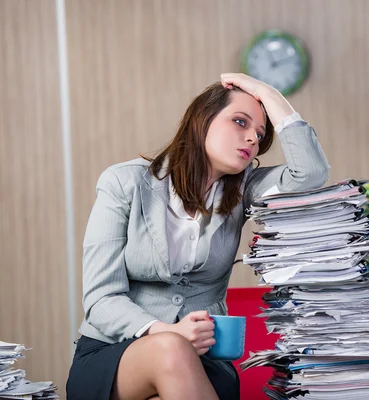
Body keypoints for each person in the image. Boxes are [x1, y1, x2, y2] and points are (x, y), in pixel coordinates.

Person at [66, 73, 330, 400]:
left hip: (205, 362)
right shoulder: (124, 183)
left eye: (260, 135)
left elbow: (310, 173)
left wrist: (266, 91)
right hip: (114, 353)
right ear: (202, 120)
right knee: (172, 349)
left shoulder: (245, 190)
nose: (252, 139)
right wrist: (169, 332)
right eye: (240, 122)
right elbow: (100, 299)